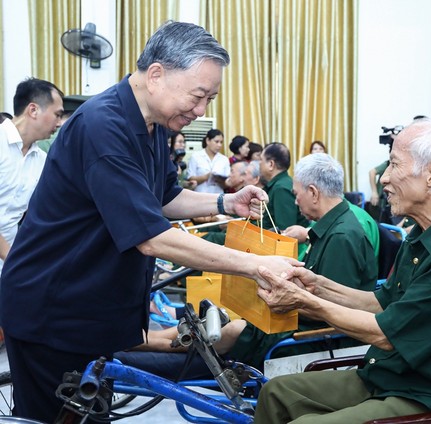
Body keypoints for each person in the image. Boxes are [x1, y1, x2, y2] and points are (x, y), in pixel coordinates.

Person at [0, 21, 298, 422]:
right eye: (198, 96)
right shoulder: (102, 127)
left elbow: (165, 197)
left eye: (210, 98)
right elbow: (152, 237)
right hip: (52, 311)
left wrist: (226, 202)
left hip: (91, 308)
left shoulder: (153, 125)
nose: (201, 111)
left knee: (89, 413)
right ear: (156, 75)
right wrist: (258, 265)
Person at [253, 118, 431, 423]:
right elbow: (383, 301)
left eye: (394, 165)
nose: (383, 178)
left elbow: (386, 334)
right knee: (275, 393)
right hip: (393, 373)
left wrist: (304, 301)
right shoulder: (423, 233)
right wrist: (316, 284)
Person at [116, 153, 377, 374]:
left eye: (297, 195)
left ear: (313, 193)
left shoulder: (343, 237)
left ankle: (152, 344)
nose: (295, 201)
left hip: (308, 336)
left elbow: (333, 310)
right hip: (296, 320)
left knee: (233, 328)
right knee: (223, 317)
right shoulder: (333, 229)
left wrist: (272, 299)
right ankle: (150, 339)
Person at [0, 77, 64, 274]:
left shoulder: (42, 159)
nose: (60, 123)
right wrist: (13, 259)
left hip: (7, 262)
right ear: (33, 110)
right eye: (57, 115)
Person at [260, 142, 310, 231]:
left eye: (261, 160)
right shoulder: (280, 184)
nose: (259, 164)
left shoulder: (281, 188)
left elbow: (285, 231)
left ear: (271, 164)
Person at [186, 128, 230, 193]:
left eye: (221, 142)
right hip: (200, 195)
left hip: (218, 196)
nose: (219, 145)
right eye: (216, 141)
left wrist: (220, 180)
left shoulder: (224, 159)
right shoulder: (196, 156)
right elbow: (190, 178)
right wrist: (206, 177)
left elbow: (227, 183)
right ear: (208, 141)